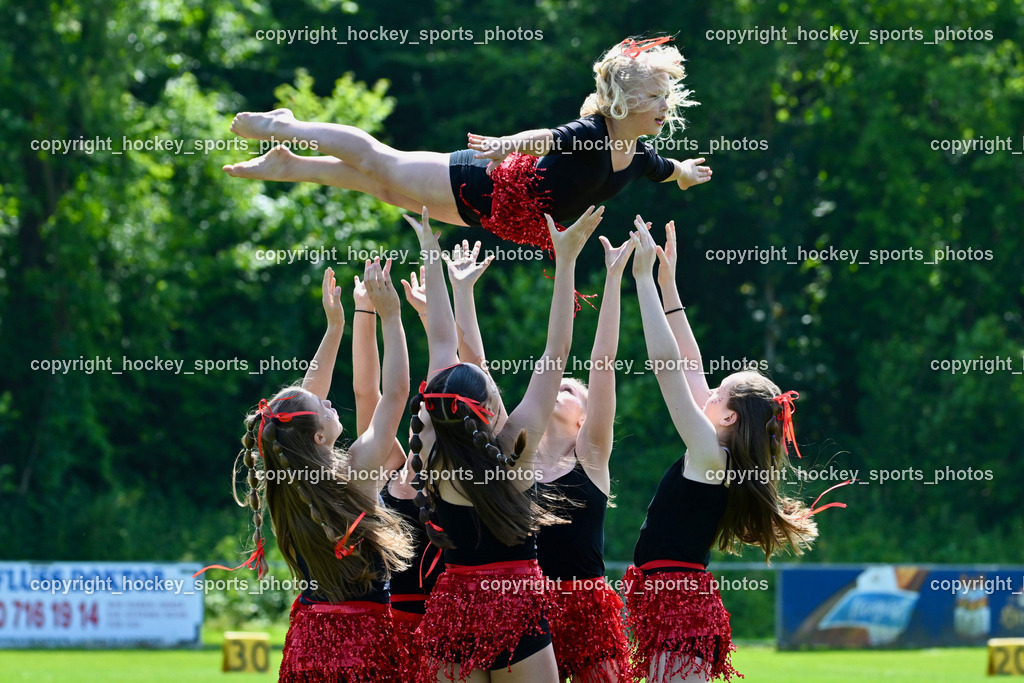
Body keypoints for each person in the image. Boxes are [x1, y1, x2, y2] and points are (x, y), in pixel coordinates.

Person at [222, 37, 711, 250]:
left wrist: (687, 174)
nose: (665, 107)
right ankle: (288, 127)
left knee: (390, 193)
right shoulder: (591, 135)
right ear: (625, 101)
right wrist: (504, 146)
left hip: (495, 214)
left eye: (667, 97)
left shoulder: (639, 157)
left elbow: (667, 169)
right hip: (480, 178)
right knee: (381, 162)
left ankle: (291, 165)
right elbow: (545, 138)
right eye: (655, 97)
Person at [624, 218, 839, 682]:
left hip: (681, 612)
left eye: (717, 392)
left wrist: (641, 282)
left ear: (729, 418)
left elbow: (668, 370)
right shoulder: (715, 448)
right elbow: (689, 361)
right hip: (676, 607)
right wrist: (668, 284)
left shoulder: (709, 457)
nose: (705, 390)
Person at [405, 206, 599, 682]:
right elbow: (557, 353)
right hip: (515, 602)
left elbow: (441, 343)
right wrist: (567, 258)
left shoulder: (432, 445)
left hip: (454, 608)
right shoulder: (517, 446)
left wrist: (432, 255)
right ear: (489, 409)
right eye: (491, 385)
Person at [436, 237, 634, 682]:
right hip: (521, 602)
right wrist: (463, 292)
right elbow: (477, 373)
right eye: (559, 385)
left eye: (571, 390)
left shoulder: (593, 457)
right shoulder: (515, 451)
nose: (562, 386)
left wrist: (615, 280)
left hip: (583, 609)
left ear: (585, 417)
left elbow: (604, 364)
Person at [231, 262, 414, 682]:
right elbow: (396, 394)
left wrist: (335, 328)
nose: (330, 404)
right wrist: (391, 315)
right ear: (316, 438)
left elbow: (300, 406)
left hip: (311, 640)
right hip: (367, 642)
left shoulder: (286, 483)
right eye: (325, 408)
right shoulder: (357, 470)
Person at [350, 272, 445, 680]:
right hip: (386, 628)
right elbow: (367, 393)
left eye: (429, 415)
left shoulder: (449, 481)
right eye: (416, 413)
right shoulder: (389, 466)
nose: (417, 417)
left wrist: (429, 317)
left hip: (440, 634)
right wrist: (365, 312)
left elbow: (454, 372)